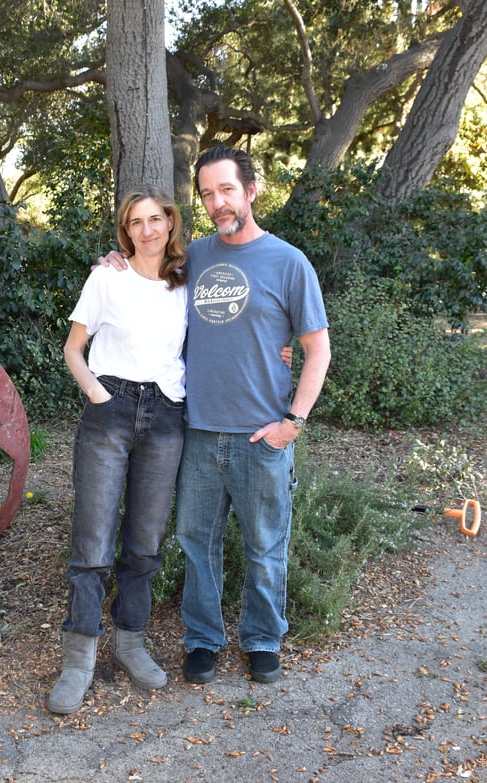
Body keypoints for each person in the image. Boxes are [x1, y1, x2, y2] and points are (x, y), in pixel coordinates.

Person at [104, 145, 330, 685]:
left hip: (262, 434)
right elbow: (142, 274)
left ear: (251, 191)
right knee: (197, 546)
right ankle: (203, 640)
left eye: (227, 189)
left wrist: (292, 423)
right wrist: (112, 263)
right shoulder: (194, 257)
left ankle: (262, 640)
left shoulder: (289, 262)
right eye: (207, 193)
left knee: (265, 545)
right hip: (197, 430)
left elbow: (317, 350)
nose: (217, 202)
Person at [47, 185, 190, 715]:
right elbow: (73, 347)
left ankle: (131, 642)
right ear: (124, 230)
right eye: (136, 222)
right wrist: (95, 392)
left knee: (146, 540)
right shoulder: (108, 275)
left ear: (170, 224)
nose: (147, 230)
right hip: (111, 409)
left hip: (167, 417)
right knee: (92, 540)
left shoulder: (186, 282)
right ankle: (79, 658)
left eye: (155, 219)